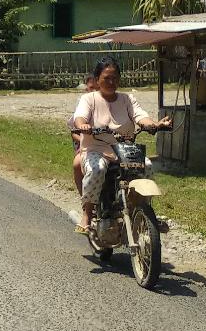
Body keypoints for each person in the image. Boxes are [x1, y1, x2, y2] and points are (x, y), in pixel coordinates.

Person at [72, 57, 171, 234]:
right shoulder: (89, 99)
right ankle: (87, 214)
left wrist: (152, 124)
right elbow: (80, 117)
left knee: (146, 165)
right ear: (97, 79)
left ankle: (142, 211)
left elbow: (140, 116)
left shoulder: (127, 99)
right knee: (97, 170)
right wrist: (83, 125)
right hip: (96, 149)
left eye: (115, 78)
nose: (111, 82)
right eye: (107, 78)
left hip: (124, 150)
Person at [69, 75, 99, 196]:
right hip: (86, 144)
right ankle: (85, 199)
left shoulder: (110, 101)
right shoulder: (82, 103)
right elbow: (74, 132)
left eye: (97, 88)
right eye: (91, 88)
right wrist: (84, 141)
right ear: (86, 88)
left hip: (108, 144)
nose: (94, 91)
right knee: (77, 164)